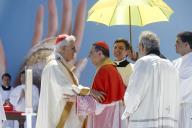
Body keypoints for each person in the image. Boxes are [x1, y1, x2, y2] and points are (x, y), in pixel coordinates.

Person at [122, 31, 179, 128]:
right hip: (169, 123)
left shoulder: (143, 62)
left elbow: (134, 94)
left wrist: (127, 111)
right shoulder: (172, 66)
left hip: (145, 122)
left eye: (139, 47)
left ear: (142, 46)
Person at [36, 34, 92, 128]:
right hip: (58, 122)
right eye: (73, 48)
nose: (76, 51)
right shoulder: (54, 66)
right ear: (62, 48)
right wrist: (89, 93)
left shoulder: (61, 66)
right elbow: (66, 90)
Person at [66, 41, 126, 128]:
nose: (89, 56)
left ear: (100, 53)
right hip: (109, 118)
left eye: (91, 52)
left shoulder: (106, 71)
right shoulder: (109, 69)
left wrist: (77, 100)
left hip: (106, 120)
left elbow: (100, 103)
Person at [173, 31, 192, 128]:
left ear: (186, 44)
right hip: (176, 109)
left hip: (189, 109)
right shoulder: (175, 63)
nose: (175, 44)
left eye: (177, 42)